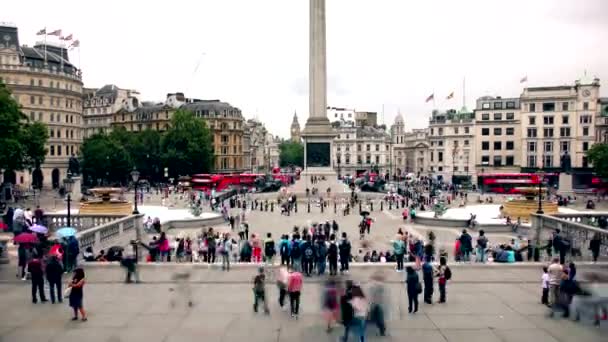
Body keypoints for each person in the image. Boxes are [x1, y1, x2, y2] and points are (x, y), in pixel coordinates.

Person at [368, 272, 387, 336]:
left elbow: (371, 295)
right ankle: (382, 329)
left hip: (375, 304)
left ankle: (382, 330)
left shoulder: (374, 285)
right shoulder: (380, 285)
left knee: (378, 318)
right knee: (378, 318)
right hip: (377, 304)